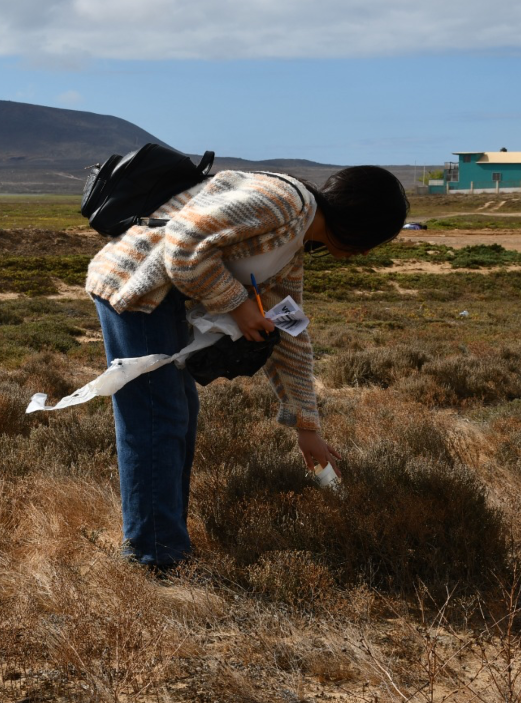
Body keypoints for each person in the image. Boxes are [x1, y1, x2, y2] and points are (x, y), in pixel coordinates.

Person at [85, 165, 408, 572]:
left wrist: (308, 430)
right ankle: (155, 557)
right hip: (138, 288)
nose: (364, 253)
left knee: (176, 416)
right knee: (156, 416)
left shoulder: (293, 243)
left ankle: (162, 545)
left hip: (162, 298)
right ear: (362, 224)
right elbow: (182, 243)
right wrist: (238, 306)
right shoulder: (285, 203)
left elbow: (290, 334)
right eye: (372, 241)